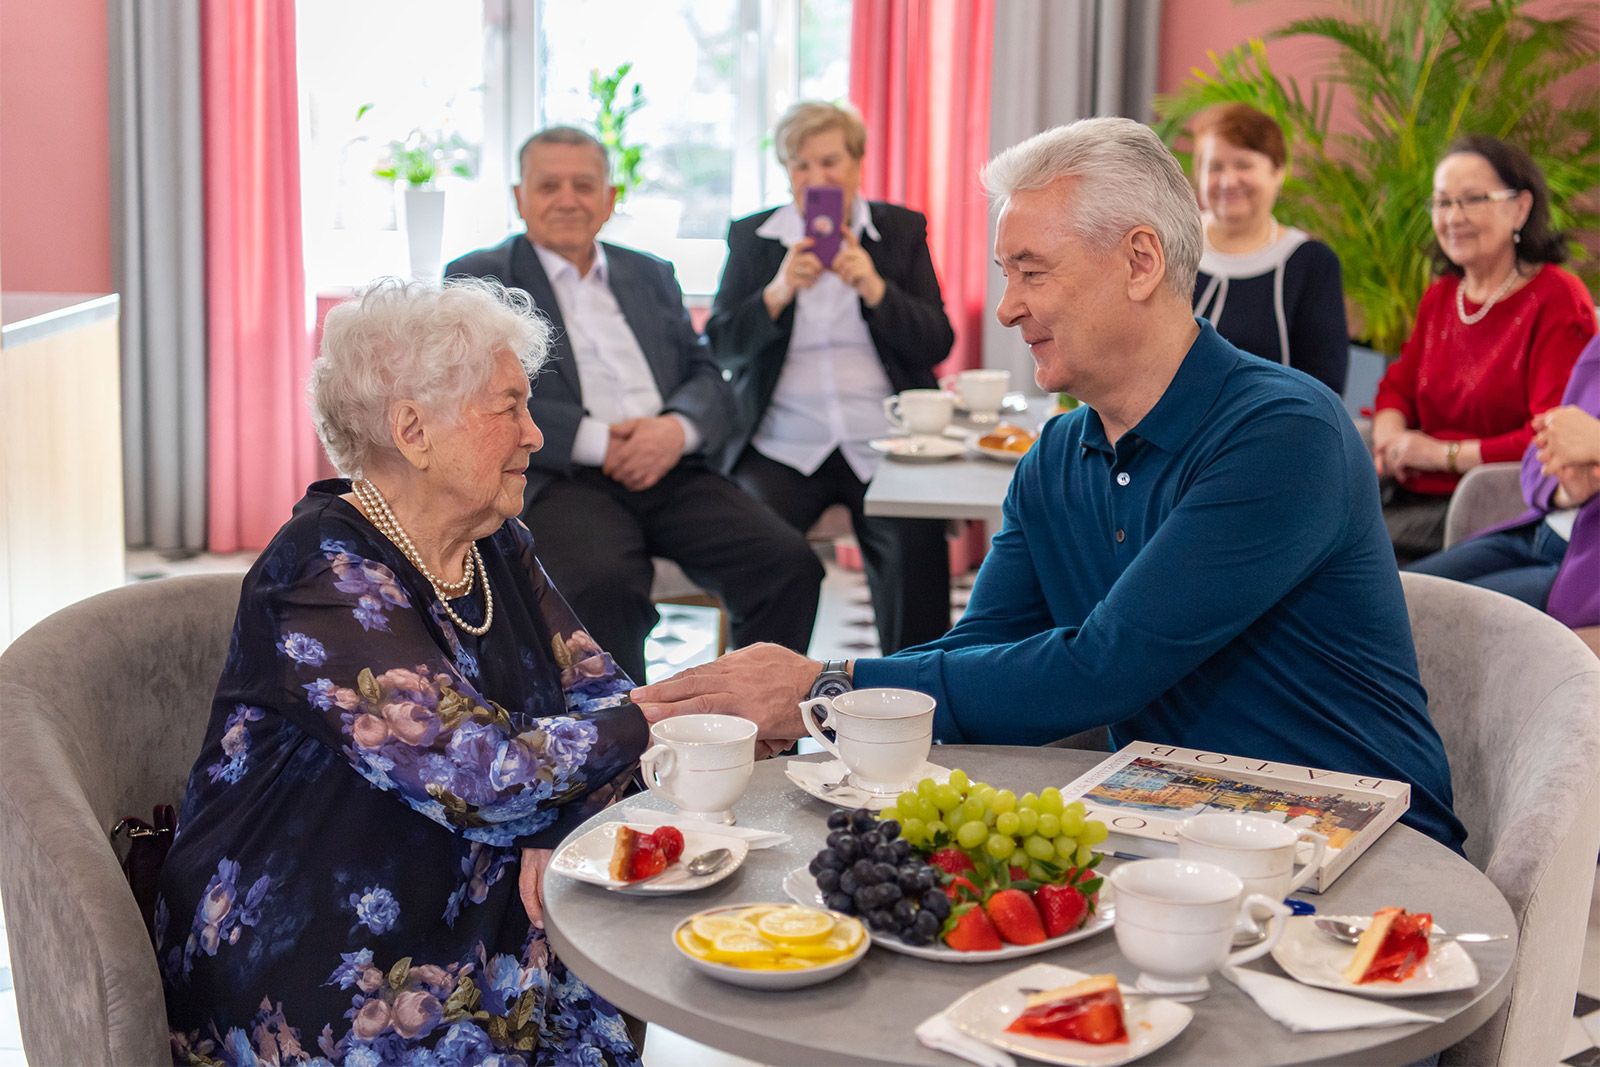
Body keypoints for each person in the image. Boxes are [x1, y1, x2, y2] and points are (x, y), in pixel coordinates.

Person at [634, 118, 1466, 852]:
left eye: (1031, 272)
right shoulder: (1057, 453)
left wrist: (825, 687)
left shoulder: (1283, 433)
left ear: (1141, 260)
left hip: (1356, 845)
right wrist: (832, 703)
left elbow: (1105, 669)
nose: (1004, 308)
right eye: (1005, 273)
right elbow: (974, 652)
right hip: (1176, 831)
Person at [158, 278, 649, 1065]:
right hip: (321, 956)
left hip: (473, 907)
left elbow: (599, 694)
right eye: (509, 407)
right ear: (413, 429)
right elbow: (481, 775)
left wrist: (555, 814)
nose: (534, 435)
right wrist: (657, 717)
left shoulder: (497, 543)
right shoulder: (320, 569)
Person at [446, 126, 823, 684]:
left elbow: (704, 374)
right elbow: (476, 393)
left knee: (788, 564)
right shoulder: (480, 278)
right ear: (520, 197)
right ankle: (624, 747)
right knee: (602, 583)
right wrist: (603, 442)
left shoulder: (648, 273)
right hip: (563, 476)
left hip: (673, 465)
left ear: (609, 199)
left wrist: (676, 430)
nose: (568, 199)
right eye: (549, 185)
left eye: (584, 184)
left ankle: (754, 723)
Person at [707, 101, 956, 654]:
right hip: (782, 442)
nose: (816, 177)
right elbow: (721, 344)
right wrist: (776, 293)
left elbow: (937, 342)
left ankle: (916, 700)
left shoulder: (898, 230)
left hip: (888, 441)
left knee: (915, 548)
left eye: (829, 162)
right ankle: (761, 716)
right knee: (764, 551)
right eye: (801, 165)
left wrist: (874, 288)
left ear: (857, 164)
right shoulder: (755, 238)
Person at [1371, 135, 1595, 562]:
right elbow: (1397, 385)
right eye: (1441, 203)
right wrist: (1392, 438)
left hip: (1487, 502)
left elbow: (1550, 436)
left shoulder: (1557, 298)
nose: (1453, 217)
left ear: (1521, 208)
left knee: (1334, 564)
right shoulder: (1442, 296)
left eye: (1472, 199)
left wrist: (1442, 455)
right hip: (1403, 489)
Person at [1410, 335, 1600, 629]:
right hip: (1536, 533)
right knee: (1387, 595)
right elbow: (1539, 452)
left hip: (1587, 576)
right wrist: (1566, 490)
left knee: (1432, 622)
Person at [1190, 103, 1348, 394]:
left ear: (1278, 171)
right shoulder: (1167, 246)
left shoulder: (1310, 263)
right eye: (1214, 167)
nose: (1227, 181)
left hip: (1269, 434)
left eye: (1243, 165)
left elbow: (1325, 388)